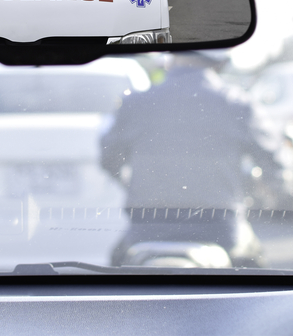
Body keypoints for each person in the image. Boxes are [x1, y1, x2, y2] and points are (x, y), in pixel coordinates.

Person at [100, 51, 280, 267]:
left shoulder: (135, 103)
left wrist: (127, 182)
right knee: (259, 280)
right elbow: (274, 164)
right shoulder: (238, 103)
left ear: (173, 58)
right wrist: (272, 192)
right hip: (220, 231)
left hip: (147, 228)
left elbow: (109, 158)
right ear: (220, 63)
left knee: (113, 274)